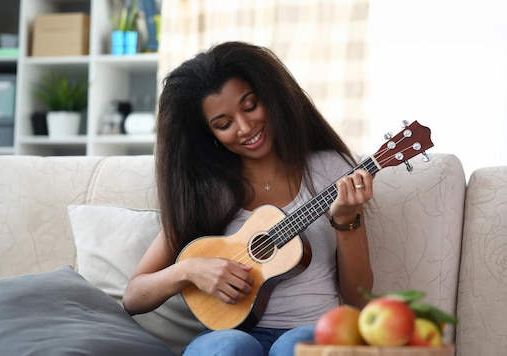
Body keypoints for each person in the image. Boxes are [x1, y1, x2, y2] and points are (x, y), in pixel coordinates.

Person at [122, 41, 374, 356]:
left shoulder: (330, 170)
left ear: (271, 97)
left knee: (293, 347)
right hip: (225, 331)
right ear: (208, 134)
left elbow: (359, 298)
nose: (245, 127)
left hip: (312, 330)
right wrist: (189, 270)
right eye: (224, 124)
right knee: (229, 346)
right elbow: (133, 296)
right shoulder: (206, 192)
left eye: (251, 105)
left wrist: (347, 220)